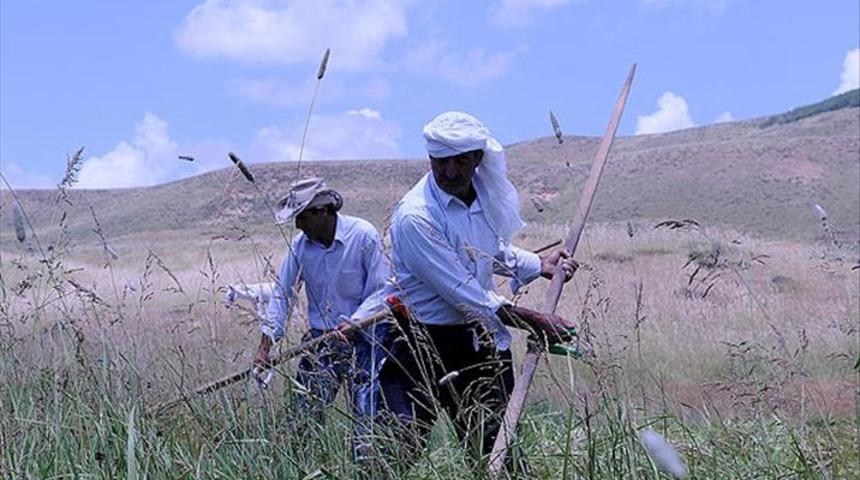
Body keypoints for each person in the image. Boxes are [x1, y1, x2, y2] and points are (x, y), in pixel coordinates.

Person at [374, 111, 579, 473]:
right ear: (430, 158)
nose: (450, 171)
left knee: (497, 456)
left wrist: (538, 264)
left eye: (461, 161)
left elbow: (485, 251)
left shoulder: (479, 197)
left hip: (476, 342)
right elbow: (464, 292)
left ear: (478, 159)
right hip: (420, 345)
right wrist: (533, 320)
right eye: (441, 161)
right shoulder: (415, 216)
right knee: (395, 455)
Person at [254, 177, 388, 449]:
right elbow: (282, 292)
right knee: (302, 421)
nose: (298, 225)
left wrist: (354, 323)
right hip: (321, 341)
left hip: (366, 338)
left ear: (323, 211)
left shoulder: (363, 235)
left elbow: (381, 290)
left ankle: (366, 466)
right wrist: (266, 345)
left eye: (302, 217)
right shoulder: (299, 245)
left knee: (367, 423)